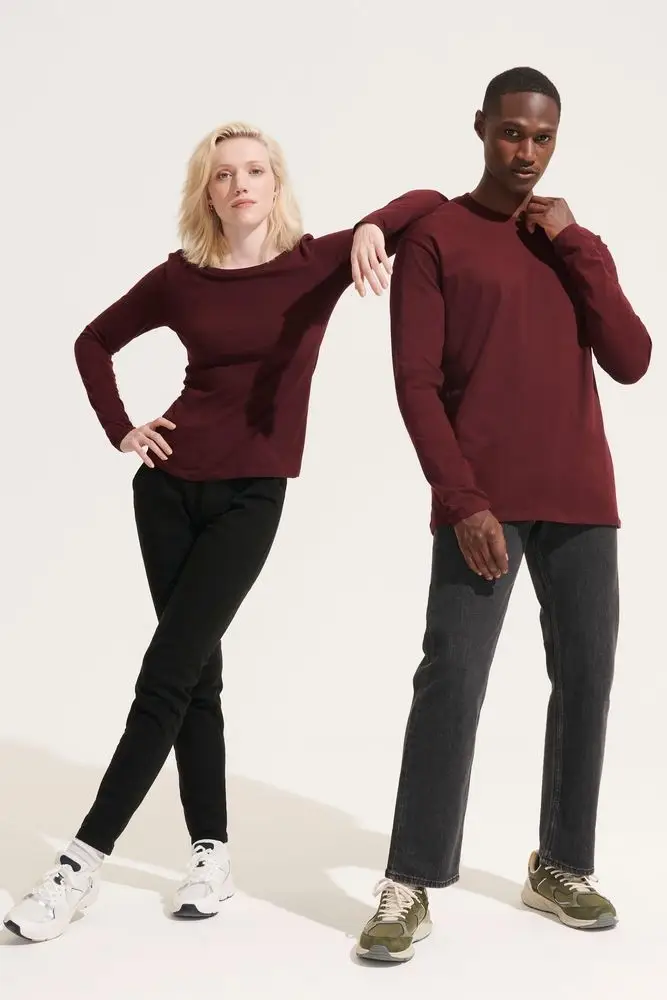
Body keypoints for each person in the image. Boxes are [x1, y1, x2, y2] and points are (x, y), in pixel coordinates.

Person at [4, 122, 446, 943]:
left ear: (276, 183)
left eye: (254, 170)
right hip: (166, 492)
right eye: (222, 175)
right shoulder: (181, 278)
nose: (240, 184)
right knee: (192, 673)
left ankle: (78, 863)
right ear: (205, 192)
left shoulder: (315, 263)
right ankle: (211, 852)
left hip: (250, 497)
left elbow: (428, 201)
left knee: (165, 674)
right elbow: (92, 341)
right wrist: (122, 428)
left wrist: (371, 227)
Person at [356, 67, 652, 963]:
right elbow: (415, 384)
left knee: (588, 677)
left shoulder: (567, 243)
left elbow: (631, 358)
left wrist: (577, 243)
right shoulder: (437, 237)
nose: (525, 152)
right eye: (511, 132)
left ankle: (560, 864)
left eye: (542, 137)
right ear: (481, 127)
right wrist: (462, 500)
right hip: (480, 502)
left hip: (580, 498)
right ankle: (409, 881)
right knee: (451, 676)